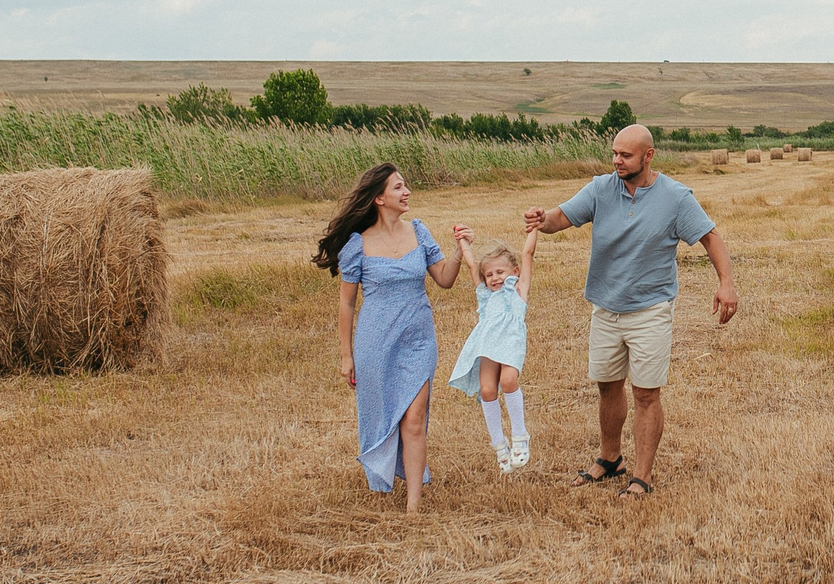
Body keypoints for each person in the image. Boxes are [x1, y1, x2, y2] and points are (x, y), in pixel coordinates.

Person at [524, 124, 737, 500]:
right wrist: (543, 219)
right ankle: (610, 459)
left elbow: (709, 236)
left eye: (625, 155)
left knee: (645, 394)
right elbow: (563, 218)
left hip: (650, 309)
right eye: (614, 153)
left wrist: (727, 283)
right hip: (605, 306)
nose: (616, 161)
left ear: (648, 156)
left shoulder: (675, 197)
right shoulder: (601, 188)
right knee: (607, 386)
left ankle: (642, 476)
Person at [313, 163, 464, 513]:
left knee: (414, 418)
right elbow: (347, 304)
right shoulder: (357, 245)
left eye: (405, 185)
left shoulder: (419, 232)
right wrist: (346, 355)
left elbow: (443, 279)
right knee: (384, 416)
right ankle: (384, 469)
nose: (406, 191)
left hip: (418, 338)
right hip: (376, 343)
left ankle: (413, 505)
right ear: (379, 198)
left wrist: (459, 249)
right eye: (398, 187)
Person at [447, 224, 539, 472]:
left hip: (509, 344)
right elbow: (470, 265)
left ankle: (520, 437)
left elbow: (528, 254)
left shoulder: (518, 290)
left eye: (501, 272)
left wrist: (534, 228)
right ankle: (499, 444)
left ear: (515, 271)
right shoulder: (486, 296)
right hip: (487, 346)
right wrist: (463, 241)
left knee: (508, 381)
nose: (495, 278)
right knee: (488, 390)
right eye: (490, 275)